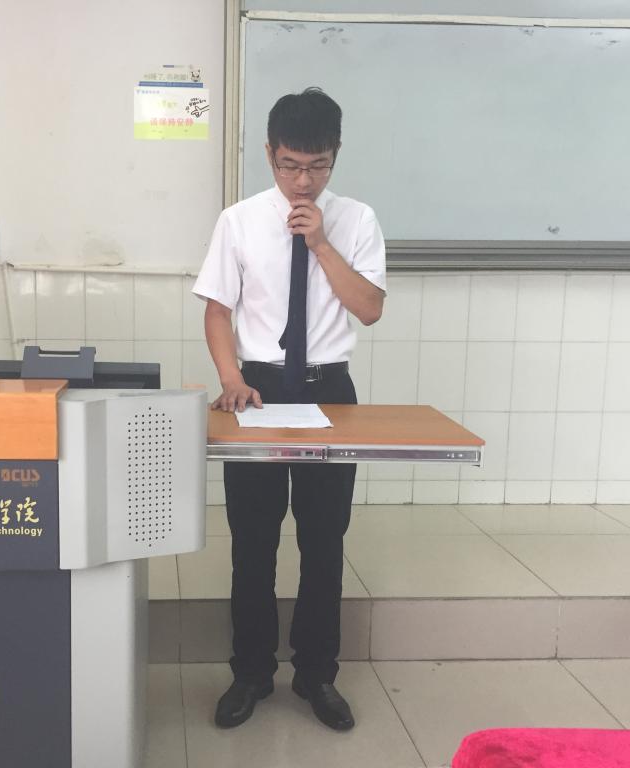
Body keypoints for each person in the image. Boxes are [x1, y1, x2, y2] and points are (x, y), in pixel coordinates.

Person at [192, 87, 386, 731]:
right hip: (257, 389)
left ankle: (316, 674)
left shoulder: (357, 220)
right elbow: (217, 311)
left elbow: (369, 309)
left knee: (324, 539)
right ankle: (250, 672)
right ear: (269, 153)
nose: (303, 181)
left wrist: (323, 244)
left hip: (330, 390)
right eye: (290, 166)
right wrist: (230, 378)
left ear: (336, 155)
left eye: (317, 166)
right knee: (253, 540)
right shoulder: (239, 220)